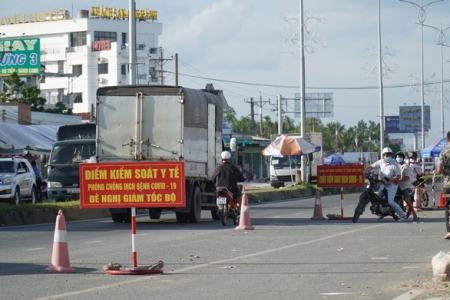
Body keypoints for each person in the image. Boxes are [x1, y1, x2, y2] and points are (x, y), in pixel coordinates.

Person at [362, 147, 407, 222]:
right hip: (383, 185)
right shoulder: (380, 162)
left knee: (390, 201)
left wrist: (390, 180)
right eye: (386, 155)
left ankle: (403, 215)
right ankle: (382, 213)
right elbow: (372, 166)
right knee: (377, 199)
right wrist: (365, 170)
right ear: (383, 155)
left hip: (392, 186)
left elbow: (398, 176)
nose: (388, 157)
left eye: (389, 155)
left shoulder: (394, 163)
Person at [395, 151, 418, 221]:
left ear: (403, 158)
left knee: (406, 198)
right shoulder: (395, 165)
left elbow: (407, 177)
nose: (399, 158)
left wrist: (399, 180)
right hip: (397, 185)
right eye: (397, 157)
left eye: (400, 157)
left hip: (405, 185)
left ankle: (414, 213)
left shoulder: (406, 166)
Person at [436, 131, 450, 239]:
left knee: (448, 207)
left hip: (448, 185)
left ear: (448, 140)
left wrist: (445, 173)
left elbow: (439, 169)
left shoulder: (444, 153)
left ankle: (449, 231)